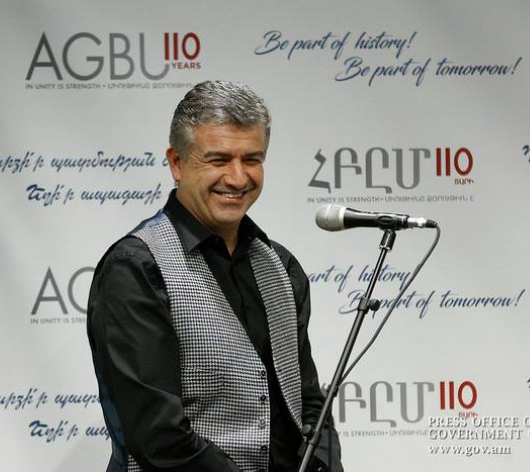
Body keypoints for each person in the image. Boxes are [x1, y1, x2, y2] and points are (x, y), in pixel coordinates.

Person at [87, 80, 343, 472]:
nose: (238, 178)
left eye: (252, 159)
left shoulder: (282, 266)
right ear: (177, 163)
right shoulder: (136, 268)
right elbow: (159, 437)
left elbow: (306, 400)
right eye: (219, 160)